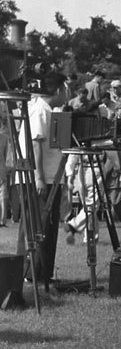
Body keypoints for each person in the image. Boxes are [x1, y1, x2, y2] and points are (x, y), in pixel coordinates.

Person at [17, 72, 67, 282]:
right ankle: (31, 273)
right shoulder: (40, 110)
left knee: (47, 226)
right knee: (37, 226)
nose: (66, 93)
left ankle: (41, 273)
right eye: (64, 88)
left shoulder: (48, 110)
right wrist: (38, 177)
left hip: (49, 179)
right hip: (40, 179)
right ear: (56, 89)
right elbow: (35, 143)